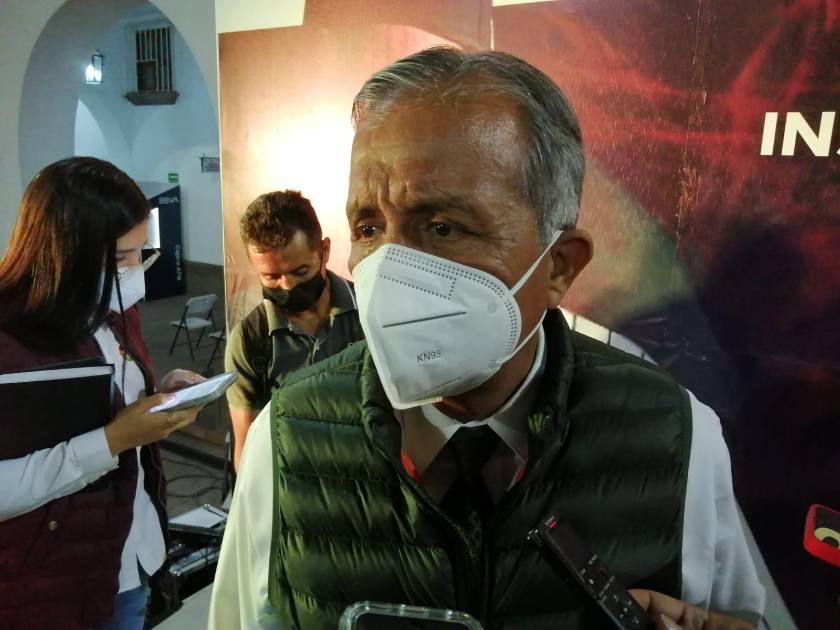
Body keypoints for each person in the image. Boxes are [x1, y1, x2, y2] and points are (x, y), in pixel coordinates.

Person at [209, 48, 766, 630]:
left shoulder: (675, 438)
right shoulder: (288, 438)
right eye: (368, 227)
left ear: (558, 265)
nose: (388, 269)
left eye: (443, 227)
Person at [0, 157, 205, 629]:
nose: (134, 271)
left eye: (141, 252)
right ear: (63, 252)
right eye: (121, 258)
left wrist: (157, 397)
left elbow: (108, 406)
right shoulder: (11, 340)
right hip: (48, 584)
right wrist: (114, 440)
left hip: (130, 555)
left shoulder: (113, 310)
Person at [224, 190, 364, 471]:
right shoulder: (250, 340)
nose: (287, 286)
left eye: (300, 271)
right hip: (292, 484)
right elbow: (247, 449)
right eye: (271, 277)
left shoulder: (370, 312)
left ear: (324, 251)